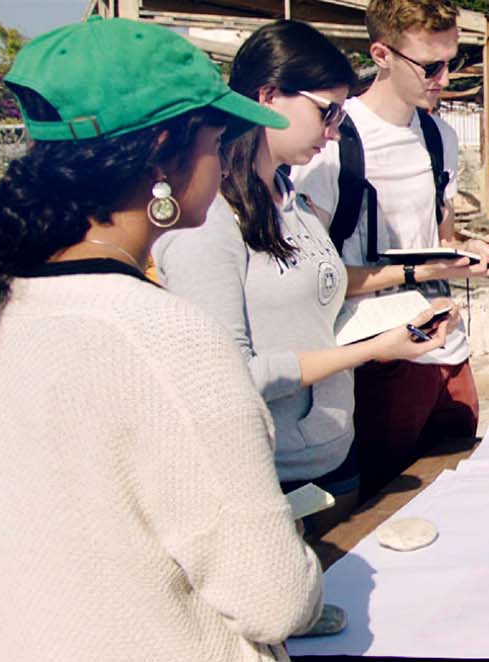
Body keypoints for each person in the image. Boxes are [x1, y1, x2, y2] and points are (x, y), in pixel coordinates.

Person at [0, 18, 320, 660]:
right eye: (216, 139)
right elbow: (276, 599)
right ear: (165, 152)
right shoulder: (169, 337)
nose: (222, 160)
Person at [153, 20, 451, 533]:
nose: (334, 131)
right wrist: (374, 348)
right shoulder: (210, 221)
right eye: (326, 111)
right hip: (271, 477)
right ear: (268, 96)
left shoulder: (294, 201)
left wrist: (424, 274)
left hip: (335, 458)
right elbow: (232, 376)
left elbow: (324, 296)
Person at [291, 0, 489, 496]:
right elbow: (315, 279)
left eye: (453, 61)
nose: (444, 78)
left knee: (461, 497)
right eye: (431, 66)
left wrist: (477, 251)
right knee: (385, 513)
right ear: (381, 55)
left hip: (447, 349)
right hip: (376, 358)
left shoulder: (438, 135)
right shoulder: (330, 143)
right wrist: (422, 271)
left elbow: (442, 238)